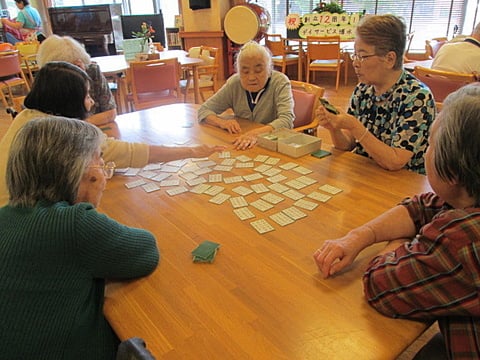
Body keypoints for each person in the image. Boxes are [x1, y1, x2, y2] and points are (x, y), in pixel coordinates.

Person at [313, 83, 480, 359]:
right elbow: (422, 208)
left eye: (429, 145)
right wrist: (359, 236)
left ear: (451, 172)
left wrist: (404, 242)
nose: (425, 152)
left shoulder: (460, 240)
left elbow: (381, 285)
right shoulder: (467, 197)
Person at [0, 116, 160, 359]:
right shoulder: (73, 224)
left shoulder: (5, 216)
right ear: (80, 172)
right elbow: (146, 251)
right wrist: (88, 206)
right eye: (99, 159)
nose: (104, 170)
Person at [0, 61, 226, 206]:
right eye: (87, 96)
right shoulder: (67, 135)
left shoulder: (27, 117)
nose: (92, 102)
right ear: (68, 102)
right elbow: (129, 152)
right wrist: (193, 151)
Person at [316, 14, 435, 174]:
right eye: (355, 55)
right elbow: (346, 145)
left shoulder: (417, 97)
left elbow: (395, 161)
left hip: (402, 185)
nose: (355, 63)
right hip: (365, 175)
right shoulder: (363, 90)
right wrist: (334, 127)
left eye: (363, 56)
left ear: (389, 59)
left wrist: (354, 126)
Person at [197, 40, 295, 151]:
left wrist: (255, 134)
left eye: (258, 70)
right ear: (238, 71)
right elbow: (204, 110)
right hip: (244, 143)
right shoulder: (234, 83)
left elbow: (287, 120)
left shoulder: (280, 82)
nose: (251, 77)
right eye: (245, 71)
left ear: (269, 69)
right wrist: (222, 123)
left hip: (274, 145)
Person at [37, 34, 117, 126]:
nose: (79, 70)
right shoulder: (48, 84)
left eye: (79, 65)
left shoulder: (92, 71)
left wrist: (81, 125)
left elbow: (110, 113)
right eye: (71, 67)